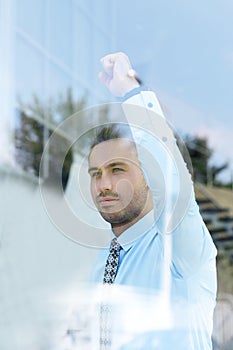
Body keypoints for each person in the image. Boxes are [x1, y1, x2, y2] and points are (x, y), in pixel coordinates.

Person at [87, 52, 217, 349]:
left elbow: (171, 188)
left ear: (149, 174)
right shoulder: (99, 264)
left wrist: (131, 93)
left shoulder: (179, 250)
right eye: (96, 173)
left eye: (117, 169)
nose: (104, 185)